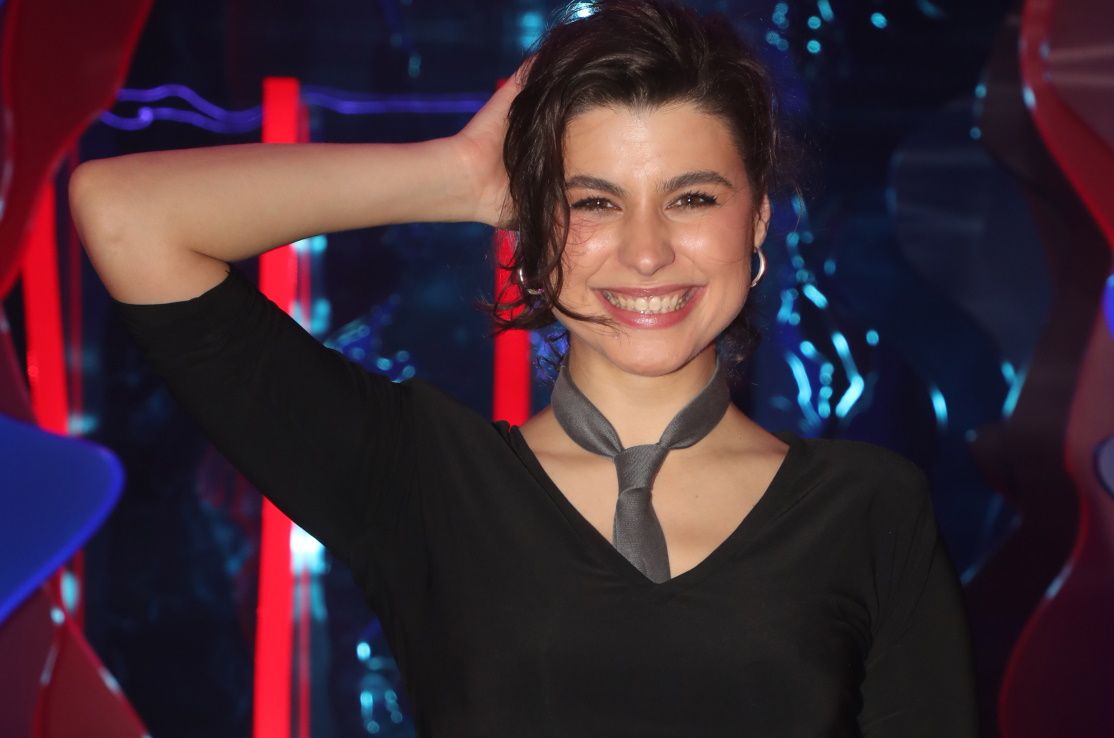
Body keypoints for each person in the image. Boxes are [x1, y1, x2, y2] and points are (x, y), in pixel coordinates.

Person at [71, 0, 977, 734]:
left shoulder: (872, 508)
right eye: (594, 203)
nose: (647, 252)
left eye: (692, 198)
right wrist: (459, 178)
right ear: (534, 235)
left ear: (758, 224)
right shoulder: (421, 479)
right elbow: (125, 214)